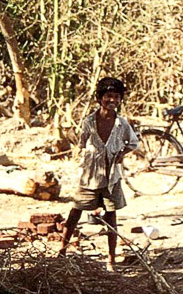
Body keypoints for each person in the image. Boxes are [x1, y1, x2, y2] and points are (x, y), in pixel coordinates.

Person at [59, 77, 140, 271]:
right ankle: (61, 250)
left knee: (111, 217)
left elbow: (133, 143)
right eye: (108, 97)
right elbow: (81, 143)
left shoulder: (122, 124)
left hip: (112, 177)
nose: (111, 101)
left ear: (120, 100)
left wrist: (121, 154)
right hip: (90, 175)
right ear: (100, 99)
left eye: (116, 97)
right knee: (75, 211)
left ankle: (111, 260)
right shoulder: (89, 122)